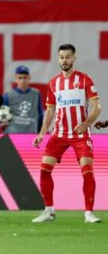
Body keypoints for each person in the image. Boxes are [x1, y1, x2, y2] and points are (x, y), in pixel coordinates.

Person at [32, 44, 102, 224]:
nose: (64, 60)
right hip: (59, 134)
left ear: (74, 58)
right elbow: (49, 111)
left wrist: (86, 123)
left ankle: (88, 214)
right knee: (44, 169)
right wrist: (41, 134)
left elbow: (97, 107)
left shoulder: (85, 80)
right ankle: (49, 211)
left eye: (68, 57)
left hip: (81, 135)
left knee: (87, 171)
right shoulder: (54, 83)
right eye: (62, 57)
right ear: (58, 59)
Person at [0, 65, 44, 134]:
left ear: (29, 78)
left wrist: (40, 131)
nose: (22, 80)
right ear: (15, 79)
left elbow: (40, 114)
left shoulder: (36, 93)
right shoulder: (9, 95)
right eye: (20, 78)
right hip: (13, 133)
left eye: (25, 77)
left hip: (31, 133)